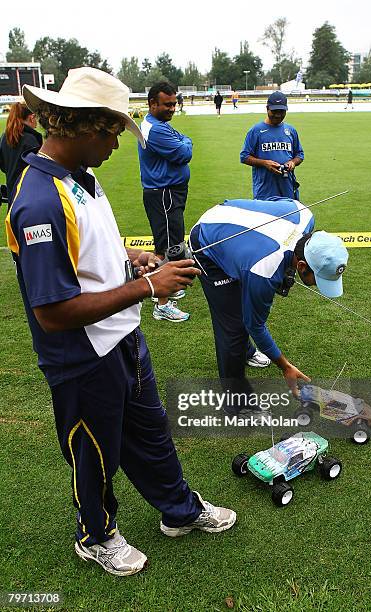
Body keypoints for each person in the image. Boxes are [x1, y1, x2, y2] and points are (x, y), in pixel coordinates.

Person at [5, 67, 236, 578]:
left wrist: (130, 257)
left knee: (151, 435)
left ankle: (179, 510)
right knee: (95, 453)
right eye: (114, 132)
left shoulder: (81, 177)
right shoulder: (41, 200)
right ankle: (97, 536)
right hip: (82, 358)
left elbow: (84, 259)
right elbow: (53, 311)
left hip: (123, 340)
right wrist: (149, 287)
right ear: (87, 126)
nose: (117, 144)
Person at [189, 197, 348, 399]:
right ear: (301, 266)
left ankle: (246, 353)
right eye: (318, 278)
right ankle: (235, 402)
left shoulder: (305, 214)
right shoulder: (263, 271)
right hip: (207, 241)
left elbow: (273, 200)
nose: (318, 285)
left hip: (233, 227)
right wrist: (285, 366)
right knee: (233, 327)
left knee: (243, 298)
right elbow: (254, 324)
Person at [138, 81, 192, 322]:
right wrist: (185, 143)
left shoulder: (157, 125)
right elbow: (184, 152)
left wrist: (184, 141)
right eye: (167, 105)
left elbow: (184, 140)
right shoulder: (157, 129)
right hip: (164, 193)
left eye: (174, 104)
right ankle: (162, 303)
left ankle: (161, 286)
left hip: (166, 192)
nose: (172, 109)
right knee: (170, 246)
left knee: (166, 244)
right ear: (152, 103)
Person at [240, 92, 304, 200]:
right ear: (267, 109)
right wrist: (264, 163)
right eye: (274, 111)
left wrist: (292, 162)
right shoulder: (256, 131)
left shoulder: (291, 130)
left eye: (282, 111)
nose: (278, 115)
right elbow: (244, 157)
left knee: (288, 216)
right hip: (265, 190)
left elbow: (299, 154)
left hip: (287, 188)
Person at [0, 102, 43, 210]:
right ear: (31, 117)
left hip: (12, 193)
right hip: (29, 195)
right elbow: (40, 169)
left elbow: (3, 166)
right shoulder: (31, 140)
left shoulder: (5, 137)